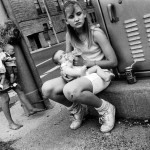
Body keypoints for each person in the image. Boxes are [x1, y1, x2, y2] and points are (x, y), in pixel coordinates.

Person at [42, 0, 118, 132]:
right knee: (47, 89)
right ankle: (78, 110)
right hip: (80, 73)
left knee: (70, 90)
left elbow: (113, 62)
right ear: (66, 21)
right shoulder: (69, 36)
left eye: (78, 14)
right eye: (71, 17)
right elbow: (67, 59)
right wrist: (66, 69)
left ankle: (106, 108)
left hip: (99, 72)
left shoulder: (96, 33)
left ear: (84, 14)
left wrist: (88, 63)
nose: (76, 19)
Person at [0, 44, 44, 130]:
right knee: (5, 98)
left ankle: (31, 109)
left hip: (7, 72)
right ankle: (11, 123)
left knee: (19, 89)